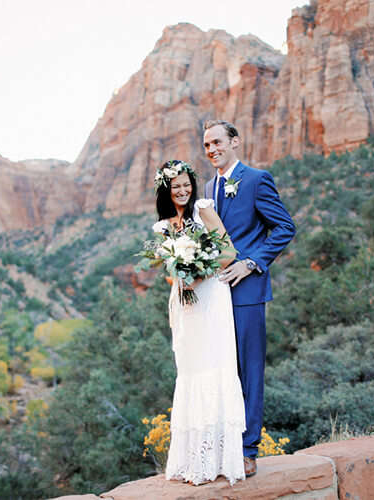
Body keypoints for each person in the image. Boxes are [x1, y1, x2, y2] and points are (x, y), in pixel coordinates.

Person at [203, 120, 295, 477]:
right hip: (216, 294)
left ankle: (248, 450)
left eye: (217, 142)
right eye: (207, 144)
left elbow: (284, 226)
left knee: (249, 371)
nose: (211, 149)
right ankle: (225, 444)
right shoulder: (210, 186)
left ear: (235, 142)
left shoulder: (257, 179)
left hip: (248, 292)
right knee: (224, 370)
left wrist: (251, 263)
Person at [153, 160, 246, 486]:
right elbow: (167, 271)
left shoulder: (203, 210)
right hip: (185, 305)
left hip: (212, 299)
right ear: (166, 189)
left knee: (216, 366)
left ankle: (221, 460)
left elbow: (229, 252)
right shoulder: (162, 228)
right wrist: (179, 279)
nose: (183, 191)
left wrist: (199, 273)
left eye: (186, 184)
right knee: (191, 371)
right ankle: (196, 460)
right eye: (175, 186)